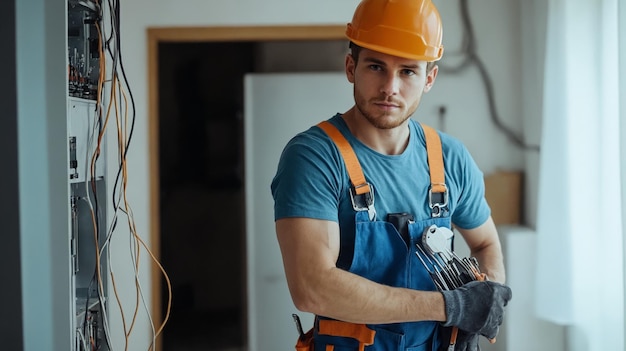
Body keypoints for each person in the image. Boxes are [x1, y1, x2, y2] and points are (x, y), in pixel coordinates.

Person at [271, 0, 512, 350]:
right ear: (351, 67)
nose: (390, 88)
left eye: (408, 71)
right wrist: (450, 307)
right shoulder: (314, 157)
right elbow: (312, 288)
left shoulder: (450, 158)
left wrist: (482, 307)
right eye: (376, 66)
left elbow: (486, 243)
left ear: (429, 78)